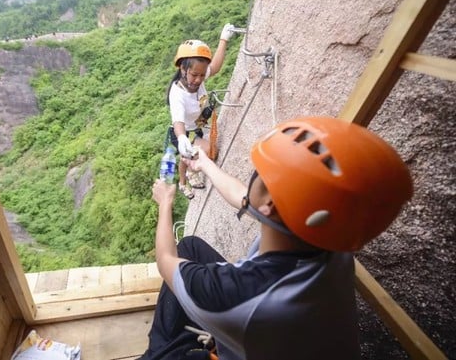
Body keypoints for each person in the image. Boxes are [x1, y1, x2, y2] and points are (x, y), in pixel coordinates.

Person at [142, 116, 413, 360]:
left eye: (260, 173)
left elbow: (166, 261)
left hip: (255, 317)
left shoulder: (231, 295)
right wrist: (206, 165)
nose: (253, 176)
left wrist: (165, 203)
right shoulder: (333, 233)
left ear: (269, 205)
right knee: (189, 246)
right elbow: (248, 200)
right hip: (291, 336)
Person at [167, 24, 238, 199]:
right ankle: (184, 181)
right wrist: (182, 137)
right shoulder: (177, 94)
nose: (198, 79)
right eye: (193, 75)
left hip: (195, 127)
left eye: (201, 75)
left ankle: (186, 176)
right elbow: (178, 121)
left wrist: (223, 40)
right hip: (183, 132)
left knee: (189, 154)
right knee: (208, 152)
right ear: (182, 69)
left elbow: (215, 67)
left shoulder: (197, 74)